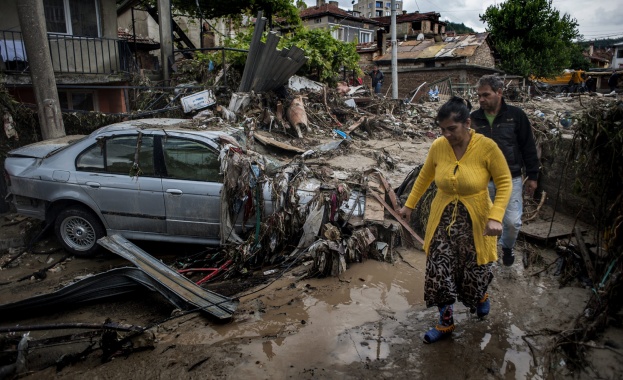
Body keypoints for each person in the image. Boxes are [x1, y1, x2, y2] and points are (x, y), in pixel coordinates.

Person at [399, 97, 512, 343]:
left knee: (475, 271)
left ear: (467, 123)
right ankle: (446, 322)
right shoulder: (438, 146)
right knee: (438, 267)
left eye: (452, 129)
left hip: (477, 219)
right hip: (442, 217)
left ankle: (480, 295)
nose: (446, 135)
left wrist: (496, 217)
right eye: (442, 130)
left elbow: (504, 182)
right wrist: (409, 205)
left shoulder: (487, 147)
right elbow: (425, 176)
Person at [471, 74, 540, 267]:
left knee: (511, 222)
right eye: (479, 96)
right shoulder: (474, 119)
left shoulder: (516, 116)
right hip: (482, 180)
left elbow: (528, 147)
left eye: (486, 95)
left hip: (510, 178)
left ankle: (507, 246)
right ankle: (486, 256)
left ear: (499, 93)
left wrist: (533, 176)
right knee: (483, 220)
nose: (481, 99)